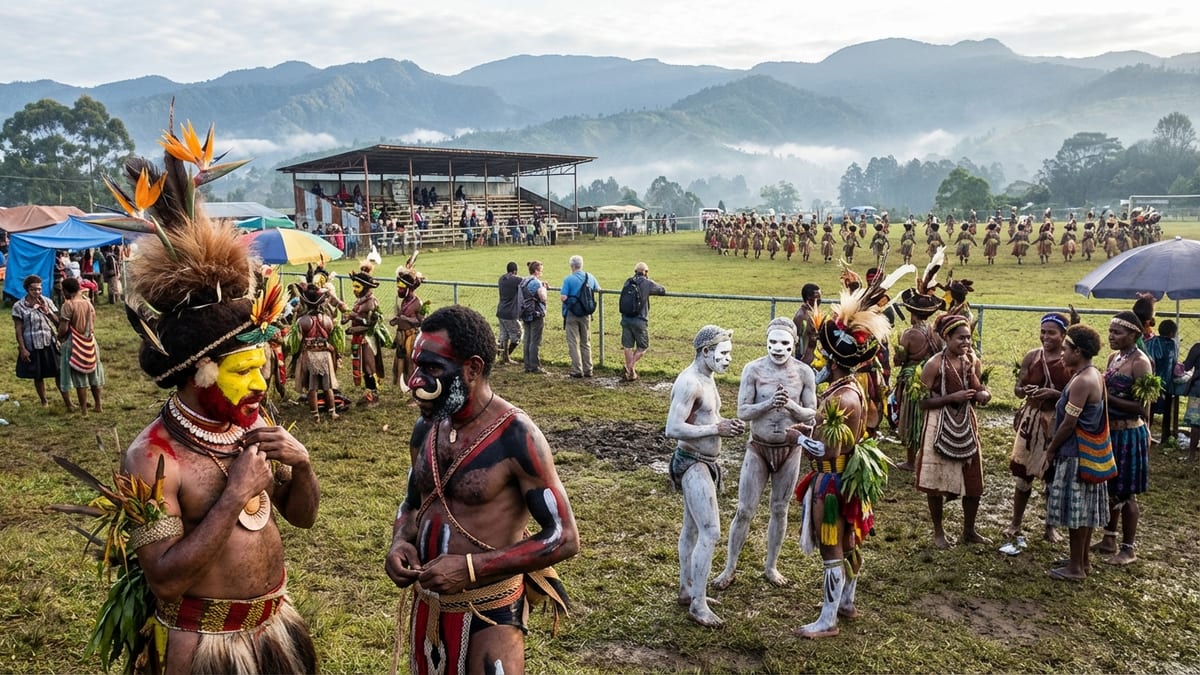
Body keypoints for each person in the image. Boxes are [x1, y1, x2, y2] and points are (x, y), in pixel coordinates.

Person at [108, 123, 319, 672]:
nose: (261, 384)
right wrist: (234, 495)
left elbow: (302, 518)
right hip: (204, 649)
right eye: (245, 371)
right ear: (200, 371)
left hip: (275, 630)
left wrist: (303, 465)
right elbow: (165, 577)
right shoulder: (151, 458)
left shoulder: (251, 421)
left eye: (264, 368)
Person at [385, 305, 577, 675]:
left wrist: (471, 568)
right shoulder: (427, 429)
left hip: (489, 613)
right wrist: (398, 542)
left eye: (432, 369)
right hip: (429, 610)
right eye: (416, 367)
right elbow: (412, 503)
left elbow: (564, 536)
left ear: (472, 369)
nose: (415, 381)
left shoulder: (517, 437)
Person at [792, 265, 897, 639]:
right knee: (849, 541)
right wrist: (807, 420)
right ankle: (847, 603)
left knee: (832, 548)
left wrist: (798, 437)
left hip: (831, 480)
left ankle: (827, 619)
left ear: (833, 360)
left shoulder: (845, 397)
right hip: (842, 476)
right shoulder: (850, 387)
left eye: (823, 354)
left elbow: (827, 446)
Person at [712, 318, 816, 591]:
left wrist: (792, 407)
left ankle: (771, 566)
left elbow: (812, 414)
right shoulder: (753, 369)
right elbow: (743, 411)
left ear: (794, 344)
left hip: (789, 450)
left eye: (784, 343)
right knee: (745, 509)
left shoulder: (804, 373)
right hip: (758, 447)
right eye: (772, 343)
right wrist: (769, 403)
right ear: (766, 342)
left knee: (780, 509)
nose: (778, 349)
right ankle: (729, 567)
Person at [665, 325, 744, 627]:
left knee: (693, 530)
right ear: (706, 352)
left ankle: (688, 591)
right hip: (692, 463)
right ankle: (698, 605)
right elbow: (672, 428)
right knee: (710, 531)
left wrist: (725, 424)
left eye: (730, 355)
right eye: (723, 354)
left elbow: (708, 418)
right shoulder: (689, 382)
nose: (728, 360)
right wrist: (716, 429)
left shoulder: (706, 378)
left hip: (704, 462)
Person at [915, 312, 992, 549]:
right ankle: (939, 533)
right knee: (935, 478)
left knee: (973, 479)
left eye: (968, 338)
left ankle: (969, 530)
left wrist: (983, 395)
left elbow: (978, 387)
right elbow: (921, 402)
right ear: (946, 338)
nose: (966, 343)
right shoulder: (934, 364)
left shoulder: (969, 361)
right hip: (938, 422)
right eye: (960, 338)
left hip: (965, 423)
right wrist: (951, 398)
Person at [1044, 324, 1109, 581]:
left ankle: (1075, 568)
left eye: (1066, 349)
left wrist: (1051, 450)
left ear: (1078, 351)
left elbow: (1069, 424)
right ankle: (1082, 560)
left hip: (1076, 454)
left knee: (1077, 511)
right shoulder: (1092, 374)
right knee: (1085, 510)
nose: (1062, 353)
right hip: (1086, 453)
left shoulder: (1082, 381)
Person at [1005, 313, 1073, 542]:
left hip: (1056, 422)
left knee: (1052, 477)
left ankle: (1050, 527)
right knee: (1023, 475)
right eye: (1043, 332)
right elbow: (1017, 387)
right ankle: (1015, 523)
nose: (1045, 337)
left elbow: (1076, 393)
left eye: (1051, 333)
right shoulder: (1032, 357)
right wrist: (1025, 391)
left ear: (1064, 335)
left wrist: (1055, 395)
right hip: (1032, 420)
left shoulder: (1070, 360)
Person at [1094, 310, 1153, 565]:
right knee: (1111, 487)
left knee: (1128, 492)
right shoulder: (1113, 358)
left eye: (1117, 332)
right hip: (1112, 431)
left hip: (1130, 432)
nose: (1112, 336)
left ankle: (1128, 549)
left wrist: (1106, 396)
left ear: (1134, 334)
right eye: (1110, 331)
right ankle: (1109, 538)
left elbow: (1142, 407)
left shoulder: (1140, 362)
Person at [13, 275, 71, 408]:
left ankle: (68, 401)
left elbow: (58, 323)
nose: (37, 292)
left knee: (58, 372)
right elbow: (18, 329)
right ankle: (44, 401)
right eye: (34, 289)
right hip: (32, 343)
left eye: (39, 289)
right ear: (27, 290)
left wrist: (48, 312)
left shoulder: (47, 302)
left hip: (49, 342)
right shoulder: (19, 306)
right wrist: (22, 348)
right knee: (38, 375)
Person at [292, 282, 343, 421]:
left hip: (310, 354)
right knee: (328, 387)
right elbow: (334, 338)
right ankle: (332, 412)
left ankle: (315, 414)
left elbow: (295, 342)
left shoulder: (302, 321)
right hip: (325, 354)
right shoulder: (328, 320)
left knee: (312, 387)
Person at [56, 277, 104, 415]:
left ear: (65, 290)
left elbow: (64, 328)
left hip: (74, 342)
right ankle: (98, 405)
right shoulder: (87, 302)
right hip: (90, 340)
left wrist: (59, 336)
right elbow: (93, 320)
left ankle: (83, 409)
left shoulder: (68, 305)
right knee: (94, 374)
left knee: (79, 377)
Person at [343, 263, 387, 407]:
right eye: (354, 286)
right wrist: (348, 318)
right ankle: (368, 393)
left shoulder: (370, 302)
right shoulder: (361, 300)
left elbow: (370, 324)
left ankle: (374, 396)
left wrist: (354, 323)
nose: (354, 290)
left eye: (357, 287)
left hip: (367, 338)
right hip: (359, 338)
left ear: (366, 287)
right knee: (363, 367)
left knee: (369, 367)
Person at [619, 261, 666, 381]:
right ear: (646, 272)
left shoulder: (628, 281)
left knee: (627, 346)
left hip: (625, 318)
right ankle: (630, 366)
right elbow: (662, 290)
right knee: (643, 347)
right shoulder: (647, 283)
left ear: (635, 271)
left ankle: (631, 374)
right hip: (640, 320)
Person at [559, 255, 600, 378]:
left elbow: (563, 297)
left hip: (572, 314)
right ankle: (588, 369)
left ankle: (577, 370)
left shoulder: (568, 279)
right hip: (586, 314)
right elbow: (598, 289)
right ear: (581, 265)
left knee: (573, 342)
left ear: (572, 266)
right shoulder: (590, 277)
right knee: (585, 342)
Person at [391, 255, 426, 391]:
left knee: (411, 363)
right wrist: (397, 320)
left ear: (409, 288)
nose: (399, 290)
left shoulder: (418, 302)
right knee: (403, 363)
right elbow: (402, 316)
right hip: (402, 336)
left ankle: (416, 391)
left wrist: (406, 320)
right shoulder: (405, 300)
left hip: (411, 337)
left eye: (401, 287)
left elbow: (421, 321)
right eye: (398, 287)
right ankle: (407, 385)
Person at [521, 260, 548, 374]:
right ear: (536, 271)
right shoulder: (536, 283)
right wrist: (544, 288)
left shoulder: (524, 281)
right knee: (535, 340)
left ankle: (527, 365)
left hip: (525, 312)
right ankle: (535, 366)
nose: (541, 272)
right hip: (536, 313)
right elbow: (543, 297)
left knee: (527, 339)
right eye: (541, 270)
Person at [495, 261, 523, 365]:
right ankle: (503, 354)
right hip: (510, 313)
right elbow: (526, 281)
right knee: (518, 335)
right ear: (515, 271)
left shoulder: (501, 279)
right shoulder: (516, 280)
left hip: (501, 311)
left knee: (504, 336)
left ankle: (504, 357)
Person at [792, 283, 822, 366]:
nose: (820, 300)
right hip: (804, 362)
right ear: (809, 298)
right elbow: (798, 341)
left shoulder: (811, 314)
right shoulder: (802, 316)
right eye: (818, 298)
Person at [1181, 341, 1200, 462]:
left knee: (1195, 422)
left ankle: (1191, 455)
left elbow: (1186, 366)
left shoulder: (1197, 348)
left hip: (1198, 390)